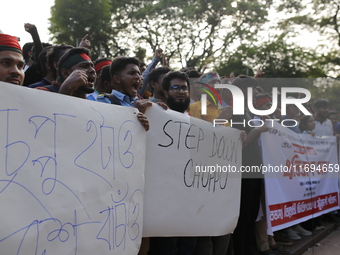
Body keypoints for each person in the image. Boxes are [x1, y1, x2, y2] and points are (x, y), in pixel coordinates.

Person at [148, 71, 196, 255]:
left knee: (188, 246)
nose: (181, 91)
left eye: (184, 88)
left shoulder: (194, 120)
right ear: (166, 91)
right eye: (175, 88)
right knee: (167, 247)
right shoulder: (155, 113)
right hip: (164, 195)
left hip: (190, 194)